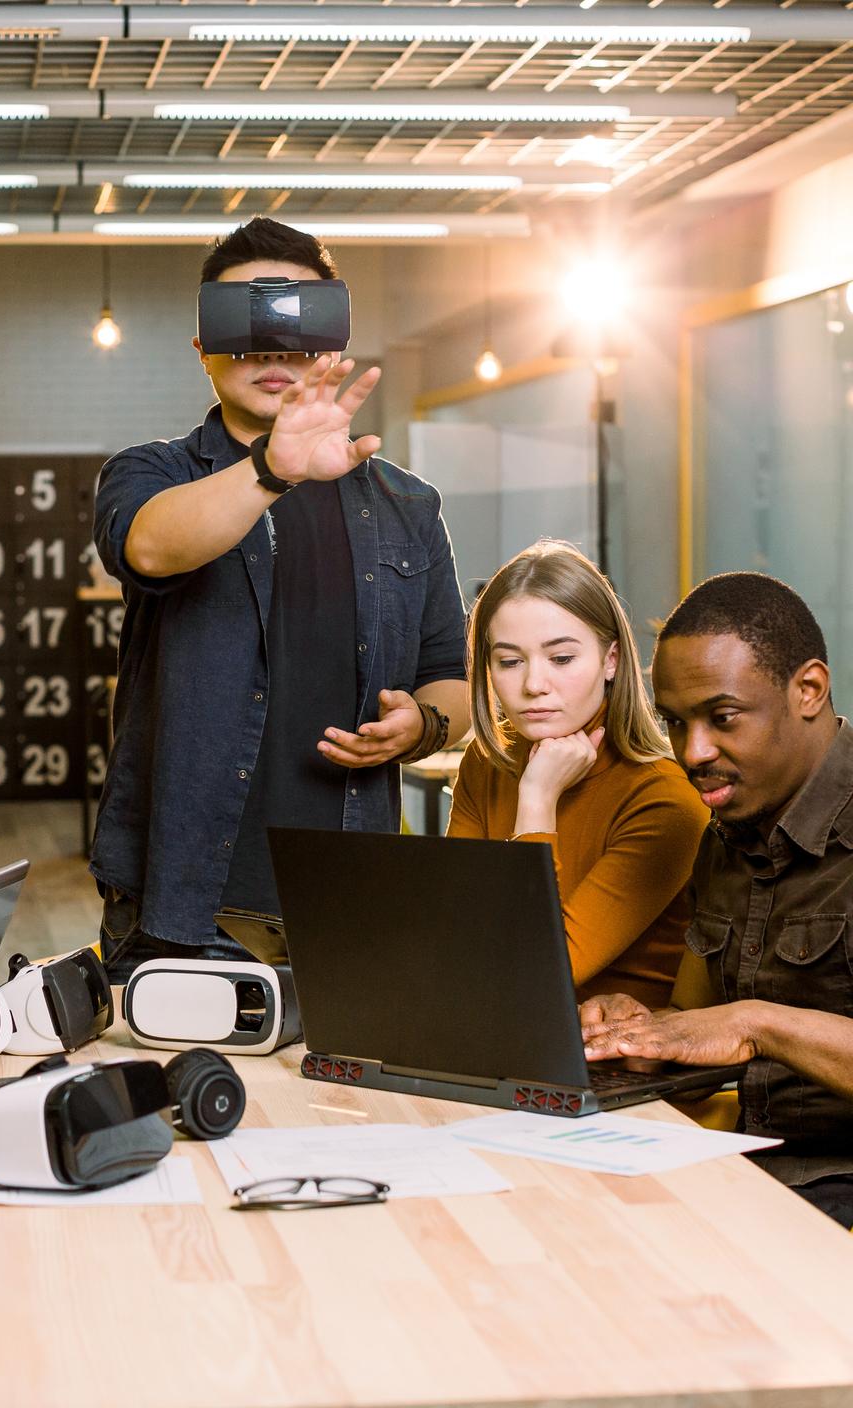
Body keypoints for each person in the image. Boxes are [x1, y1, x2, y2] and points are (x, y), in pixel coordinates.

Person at [92, 216, 469, 979]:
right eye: (243, 325)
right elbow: (151, 545)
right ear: (202, 347)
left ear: (331, 341)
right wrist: (274, 468)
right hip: (182, 898)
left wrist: (419, 727)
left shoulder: (409, 506)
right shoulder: (153, 472)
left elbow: (451, 677)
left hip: (348, 894)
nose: (269, 349)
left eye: (295, 320)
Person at [582, 572, 853, 1226]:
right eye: (676, 723)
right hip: (747, 1170)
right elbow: (698, 1027)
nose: (693, 751)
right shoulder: (725, 837)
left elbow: (736, 1026)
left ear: (808, 690)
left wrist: (752, 1023)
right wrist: (646, 1035)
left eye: (722, 718)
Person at [447, 541, 709, 1006]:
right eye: (509, 661)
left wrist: (537, 802)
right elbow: (452, 938)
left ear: (610, 660)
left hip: (613, 1057)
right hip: (495, 1028)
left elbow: (533, 975)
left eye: (562, 658)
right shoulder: (487, 763)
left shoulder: (667, 801)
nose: (533, 685)